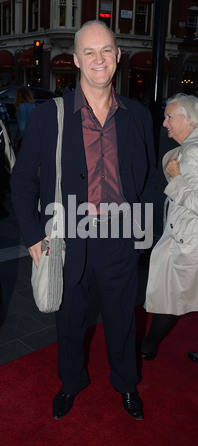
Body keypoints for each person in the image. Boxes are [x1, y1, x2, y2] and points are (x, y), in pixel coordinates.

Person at [11, 21, 157, 420]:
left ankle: (126, 384)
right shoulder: (48, 117)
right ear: (75, 60)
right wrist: (33, 238)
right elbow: (22, 181)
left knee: (122, 320)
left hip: (121, 236)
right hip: (67, 235)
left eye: (106, 50)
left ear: (118, 57)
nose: (98, 59)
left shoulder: (138, 116)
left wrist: (140, 231)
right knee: (70, 320)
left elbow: (150, 179)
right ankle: (70, 383)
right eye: (89, 52)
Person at [141, 93, 198, 360]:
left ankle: (148, 346)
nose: (164, 123)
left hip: (186, 243)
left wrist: (175, 178)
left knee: (167, 297)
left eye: (169, 117)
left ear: (188, 119)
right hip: (187, 239)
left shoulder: (192, 151)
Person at [14, 86, 36, 153]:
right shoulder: (33, 106)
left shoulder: (22, 107)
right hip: (34, 139)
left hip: (25, 142)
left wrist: (17, 140)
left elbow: (22, 128)